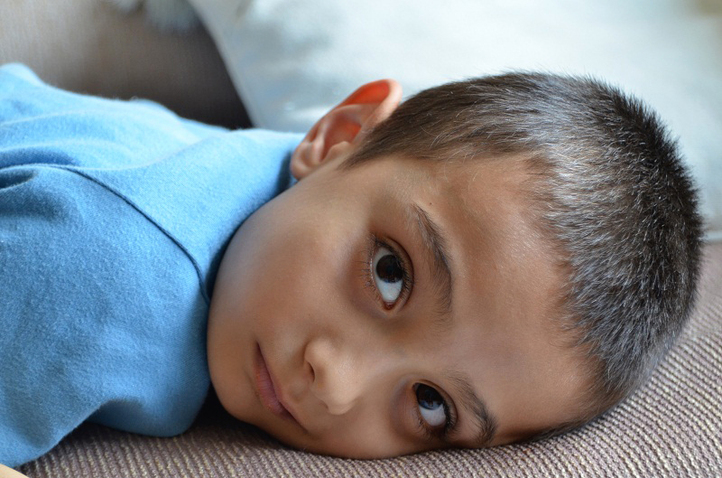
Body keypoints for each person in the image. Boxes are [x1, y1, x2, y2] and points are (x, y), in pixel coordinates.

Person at [0, 62, 702, 466]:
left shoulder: (275, 189)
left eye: (431, 403)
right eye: (390, 274)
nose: (334, 385)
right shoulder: (108, 278)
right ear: (338, 136)